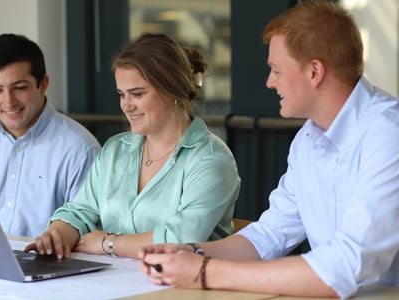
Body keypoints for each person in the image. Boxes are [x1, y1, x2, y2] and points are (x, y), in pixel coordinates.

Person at [138, 1, 399, 298]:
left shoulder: (389, 134)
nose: (269, 82)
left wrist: (203, 272)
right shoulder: (307, 141)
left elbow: (345, 265)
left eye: (276, 70)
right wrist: (191, 252)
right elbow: (269, 236)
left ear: (314, 72)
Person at [25, 33, 240, 260]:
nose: (126, 106)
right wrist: (57, 234)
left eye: (137, 94)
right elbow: (81, 211)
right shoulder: (115, 150)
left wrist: (108, 243)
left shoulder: (211, 160)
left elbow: (180, 239)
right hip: (114, 284)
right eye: (121, 94)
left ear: (172, 90)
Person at [0, 33, 101, 238]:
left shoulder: (80, 149)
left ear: (43, 84)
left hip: (48, 265)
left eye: (19, 88)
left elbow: (86, 231)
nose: (8, 102)